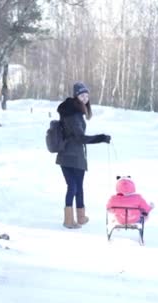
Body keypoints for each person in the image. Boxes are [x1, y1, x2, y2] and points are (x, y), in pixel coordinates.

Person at [56, 82, 111, 229]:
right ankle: (69, 220)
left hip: (67, 155)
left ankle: (80, 217)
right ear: (76, 96)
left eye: (87, 95)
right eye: (82, 95)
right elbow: (80, 138)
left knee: (77, 186)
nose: (85, 98)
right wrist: (101, 138)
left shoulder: (72, 111)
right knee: (73, 186)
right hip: (73, 156)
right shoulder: (74, 114)